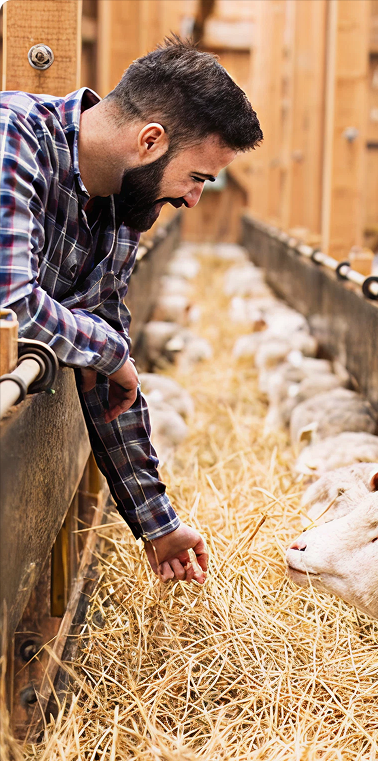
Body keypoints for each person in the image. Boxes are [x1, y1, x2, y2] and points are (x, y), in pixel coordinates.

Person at [0, 37, 262, 584]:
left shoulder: (122, 210)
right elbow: (11, 302)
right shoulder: (13, 135)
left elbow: (109, 375)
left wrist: (158, 524)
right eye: (197, 177)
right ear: (150, 141)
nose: (193, 200)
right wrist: (111, 350)